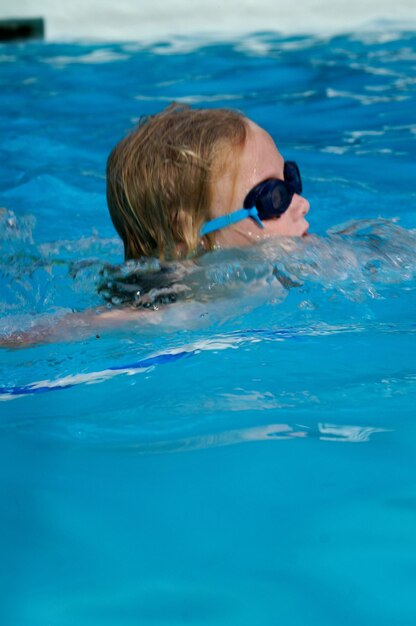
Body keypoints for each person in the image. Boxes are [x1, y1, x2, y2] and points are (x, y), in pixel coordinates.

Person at [106, 104, 310, 262]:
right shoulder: (151, 315)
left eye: (289, 177)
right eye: (274, 196)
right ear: (187, 236)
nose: (303, 204)